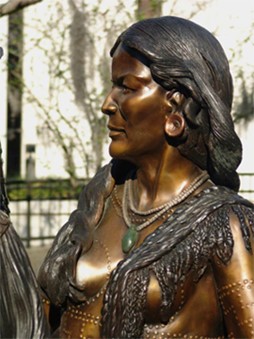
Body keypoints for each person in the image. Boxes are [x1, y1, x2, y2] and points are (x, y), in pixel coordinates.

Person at [38, 16, 254, 338]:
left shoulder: (227, 226)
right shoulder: (101, 197)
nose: (107, 104)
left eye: (126, 86)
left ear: (176, 109)